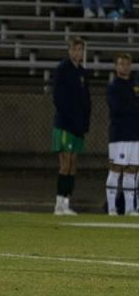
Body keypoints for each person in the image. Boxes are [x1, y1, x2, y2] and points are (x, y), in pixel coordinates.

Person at [51, 36, 90, 215]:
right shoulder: (62, 69)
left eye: (80, 49)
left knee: (73, 164)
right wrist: (69, 118)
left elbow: (86, 100)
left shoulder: (82, 72)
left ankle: (67, 202)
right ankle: (58, 203)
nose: (78, 52)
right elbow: (58, 97)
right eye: (75, 49)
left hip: (78, 126)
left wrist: (85, 122)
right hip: (65, 124)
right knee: (65, 163)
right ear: (69, 50)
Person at [106, 53, 138, 215]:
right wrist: (134, 108)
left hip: (135, 134)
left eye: (127, 64)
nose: (124, 67)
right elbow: (117, 109)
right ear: (116, 66)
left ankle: (130, 209)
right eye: (121, 64)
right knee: (116, 169)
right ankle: (112, 209)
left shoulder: (135, 85)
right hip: (119, 134)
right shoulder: (113, 87)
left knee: (132, 171)